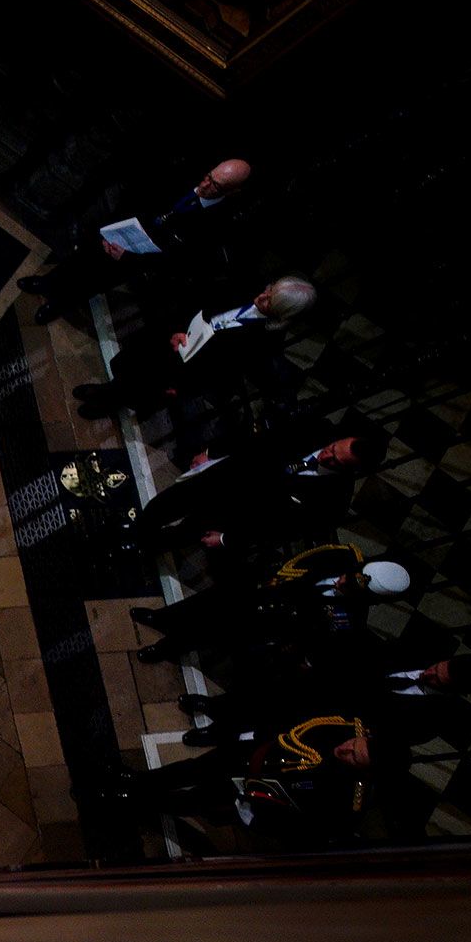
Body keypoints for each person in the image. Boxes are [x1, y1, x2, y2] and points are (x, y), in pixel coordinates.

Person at [17, 159, 256, 323]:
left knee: (95, 281)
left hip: (137, 257)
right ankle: (47, 283)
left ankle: (60, 302)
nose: (205, 185)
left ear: (232, 192)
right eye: (208, 176)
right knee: (80, 259)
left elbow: (183, 257)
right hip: (120, 228)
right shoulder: (181, 174)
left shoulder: (219, 222)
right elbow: (139, 192)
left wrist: (132, 257)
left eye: (216, 185)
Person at [115, 710, 376, 842]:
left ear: (364, 770)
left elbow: (301, 828)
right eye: (354, 743)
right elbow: (293, 718)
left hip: (253, 795)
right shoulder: (345, 725)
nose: (345, 749)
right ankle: (139, 781)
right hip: (252, 755)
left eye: (355, 756)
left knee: (195, 801)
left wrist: (254, 817)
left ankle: (137, 802)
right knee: (192, 768)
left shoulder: (346, 799)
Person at [72, 277, 315, 418]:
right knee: (134, 368)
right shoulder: (244, 286)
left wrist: (185, 388)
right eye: (268, 291)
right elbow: (197, 298)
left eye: (270, 301)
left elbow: (225, 372)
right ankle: (106, 390)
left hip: (189, 368)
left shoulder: (266, 341)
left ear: (282, 314)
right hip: (175, 339)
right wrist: (178, 328)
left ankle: (109, 403)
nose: (262, 297)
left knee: (144, 386)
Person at [131, 545, 408, 664]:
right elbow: (296, 562)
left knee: (209, 631)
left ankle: (166, 648)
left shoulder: (351, 616)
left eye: (350, 589)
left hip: (269, 618)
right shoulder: (339, 558)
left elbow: (312, 632)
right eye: (347, 578)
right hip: (259, 588)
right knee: (201, 604)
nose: (341, 583)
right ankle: (160, 618)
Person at [130, 432, 386, 556]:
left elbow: (280, 529)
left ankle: (141, 548)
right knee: (163, 505)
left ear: (351, 471)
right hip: (221, 477)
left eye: (335, 461)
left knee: (179, 535)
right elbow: (257, 438)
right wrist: (212, 452)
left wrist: (228, 539)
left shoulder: (333, 501)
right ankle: (135, 531)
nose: (325, 455)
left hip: (233, 515)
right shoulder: (314, 429)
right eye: (331, 448)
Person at [184, 652, 471, 751]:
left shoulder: (428, 718)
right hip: (323, 684)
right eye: (435, 667)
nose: (429, 673)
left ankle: (218, 737)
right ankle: (214, 707)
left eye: (437, 678)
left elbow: (384, 737)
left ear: (453, 691)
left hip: (332, 719)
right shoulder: (416, 652)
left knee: (270, 729)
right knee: (261, 697)